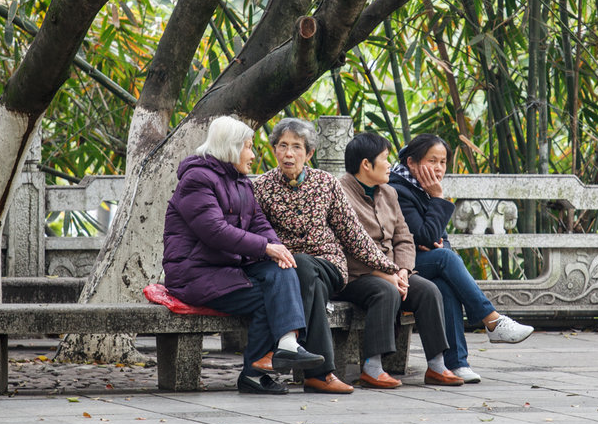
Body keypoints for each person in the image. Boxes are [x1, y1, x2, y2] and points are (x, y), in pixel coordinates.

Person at [254, 119, 431, 391]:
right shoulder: (262, 187)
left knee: (303, 265)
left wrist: (391, 270)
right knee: (301, 273)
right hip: (291, 271)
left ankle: (289, 351)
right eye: (283, 146)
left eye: (297, 147)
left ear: (309, 153)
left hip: (329, 265)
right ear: (274, 149)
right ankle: (318, 375)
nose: (289, 154)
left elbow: (354, 234)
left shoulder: (326, 183)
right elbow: (257, 232)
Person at [162, 116, 325, 395]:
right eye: (248, 147)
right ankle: (255, 371)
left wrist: (278, 250)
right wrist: (264, 248)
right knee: (266, 298)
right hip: (194, 274)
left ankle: (285, 345)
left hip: (225, 269)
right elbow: (215, 231)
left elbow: (259, 223)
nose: (252, 155)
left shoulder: (241, 182)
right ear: (231, 148)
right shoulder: (197, 179)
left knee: (282, 269)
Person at [389, 133, 534, 383]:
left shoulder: (422, 188)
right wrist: (437, 199)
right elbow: (424, 236)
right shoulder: (399, 190)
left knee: (445, 284)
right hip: (396, 267)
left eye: (443, 162)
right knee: (445, 259)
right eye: (432, 160)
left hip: (420, 264)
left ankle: (456, 364)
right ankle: (492, 321)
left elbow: (438, 238)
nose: (438, 168)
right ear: (411, 163)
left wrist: (433, 238)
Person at [337, 132, 465, 388]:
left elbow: (404, 238)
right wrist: (386, 273)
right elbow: (350, 244)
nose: (390, 165)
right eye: (384, 159)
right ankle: (372, 367)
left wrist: (404, 271)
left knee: (428, 290)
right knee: (386, 292)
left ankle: (437, 365)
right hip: (357, 274)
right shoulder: (341, 193)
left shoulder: (388, 193)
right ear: (366, 164)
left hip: (393, 271)